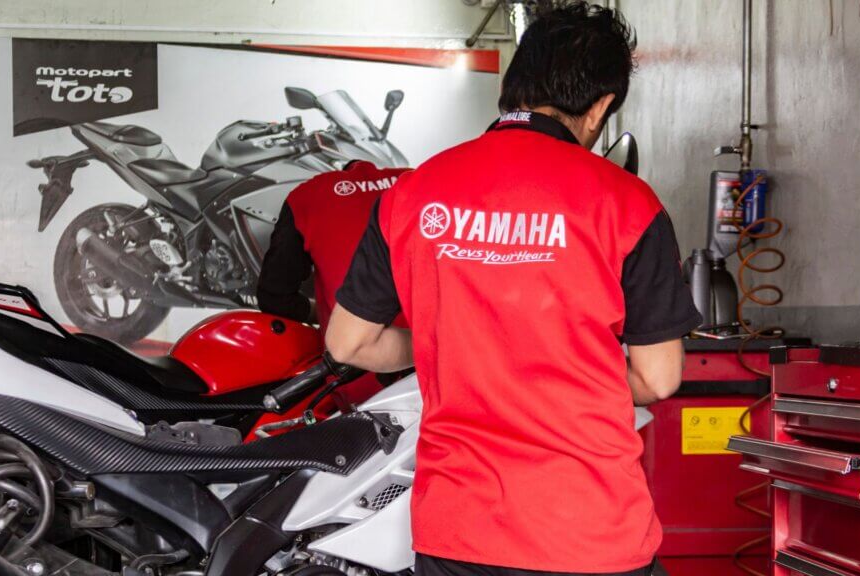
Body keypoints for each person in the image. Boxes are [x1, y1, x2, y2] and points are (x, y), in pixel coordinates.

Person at [325, 3, 700, 576]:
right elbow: (658, 377)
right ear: (600, 109)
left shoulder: (412, 194)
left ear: (513, 87)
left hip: (458, 533)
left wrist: (449, 352)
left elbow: (348, 343)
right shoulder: (627, 203)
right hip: (588, 529)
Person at [256, 160, 410, 330]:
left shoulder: (307, 195)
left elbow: (273, 298)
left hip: (354, 347)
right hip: (435, 346)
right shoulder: (417, 178)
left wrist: (322, 315)